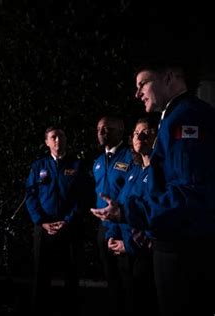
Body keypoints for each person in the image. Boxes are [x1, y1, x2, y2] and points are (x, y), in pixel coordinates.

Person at [91, 60, 215, 316]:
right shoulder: (175, 116)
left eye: (142, 84)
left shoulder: (186, 117)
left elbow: (188, 192)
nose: (137, 93)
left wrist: (129, 213)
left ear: (169, 77)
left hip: (181, 251)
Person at [92, 117, 159, 315]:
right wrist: (112, 233)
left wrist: (127, 244)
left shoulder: (158, 171)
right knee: (119, 289)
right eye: (137, 133)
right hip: (116, 236)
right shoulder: (135, 170)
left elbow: (153, 214)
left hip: (140, 249)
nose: (141, 136)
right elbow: (120, 204)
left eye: (146, 132)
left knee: (138, 297)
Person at [25, 126, 84, 315]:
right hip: (43, 228)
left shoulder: (76, 165)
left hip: (69, 228)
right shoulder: (38, 166)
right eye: (53, 137)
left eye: (61, 136)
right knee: (40, 274)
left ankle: (70, 310)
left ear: (66, 140)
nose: (58, 140)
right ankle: (39, 310)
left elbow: (81, 197)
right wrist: (41, 222)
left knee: (72, 273)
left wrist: (67, 221)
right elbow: (30, 195)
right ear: (47, 142)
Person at [92, 116, 134, 316]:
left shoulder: (130, 158)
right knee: (110, 279)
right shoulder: (98, 162)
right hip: (103, 228)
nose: (101, 132)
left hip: (123, 227)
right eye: (99, 128)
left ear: (120, 132)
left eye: (107, 129)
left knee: (127, 281)